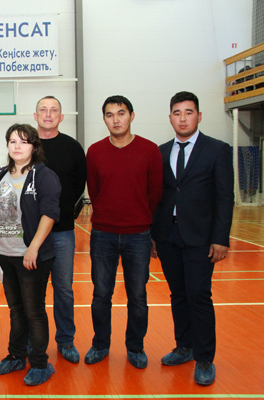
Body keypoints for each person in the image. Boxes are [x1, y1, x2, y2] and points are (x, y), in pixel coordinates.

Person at [151, 91, 233, 386]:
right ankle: (184, 346)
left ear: (199, 116)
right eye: (177, 113)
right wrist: (154, 235)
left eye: (188, 112)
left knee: (199, 295)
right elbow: (157, 197)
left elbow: (224, 197)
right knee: (178, 294)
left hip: (200, 237)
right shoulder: (160, 152)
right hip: (168, 235)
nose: (183, 118)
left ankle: (205, 357)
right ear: (170, 117)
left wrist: (220, 238)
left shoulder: (217, 149)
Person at [85, 95, 163, 369]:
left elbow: (154, 193)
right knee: (101, 295)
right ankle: (100, 344)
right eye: (109, 115)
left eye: (121, 113)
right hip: (103, 235)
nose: (116, 119)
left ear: (131, 115)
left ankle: (135, 347)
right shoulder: (95, 151)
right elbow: (94, 190)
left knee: (138, 296)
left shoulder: (150, 150)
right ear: (104, 119)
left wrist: (140, 219)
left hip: (138, 236)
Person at [0, 123, 60, 386]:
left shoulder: (44, 175)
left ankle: (40, 363)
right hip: (4, 255)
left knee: (33, 311)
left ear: (34, 147)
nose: (17, 146)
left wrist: (33, 248)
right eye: (13, 141)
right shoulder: (1, 174)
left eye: (24, 142)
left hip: (31, 256)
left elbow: (49, 214)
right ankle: (17, 355)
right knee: (16, 309)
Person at [34, 95, 87, 363]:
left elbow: (78, 185)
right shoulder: (26, 145)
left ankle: (66, 340)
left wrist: (61, 212)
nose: (48, 114)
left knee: (63, 289)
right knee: (33, 292)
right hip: (30, 235)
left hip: (63, 232)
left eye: (54, 110)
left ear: (61, 117)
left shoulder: (73, 147)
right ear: (35, 116)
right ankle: (34, 342)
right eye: (43, 110)